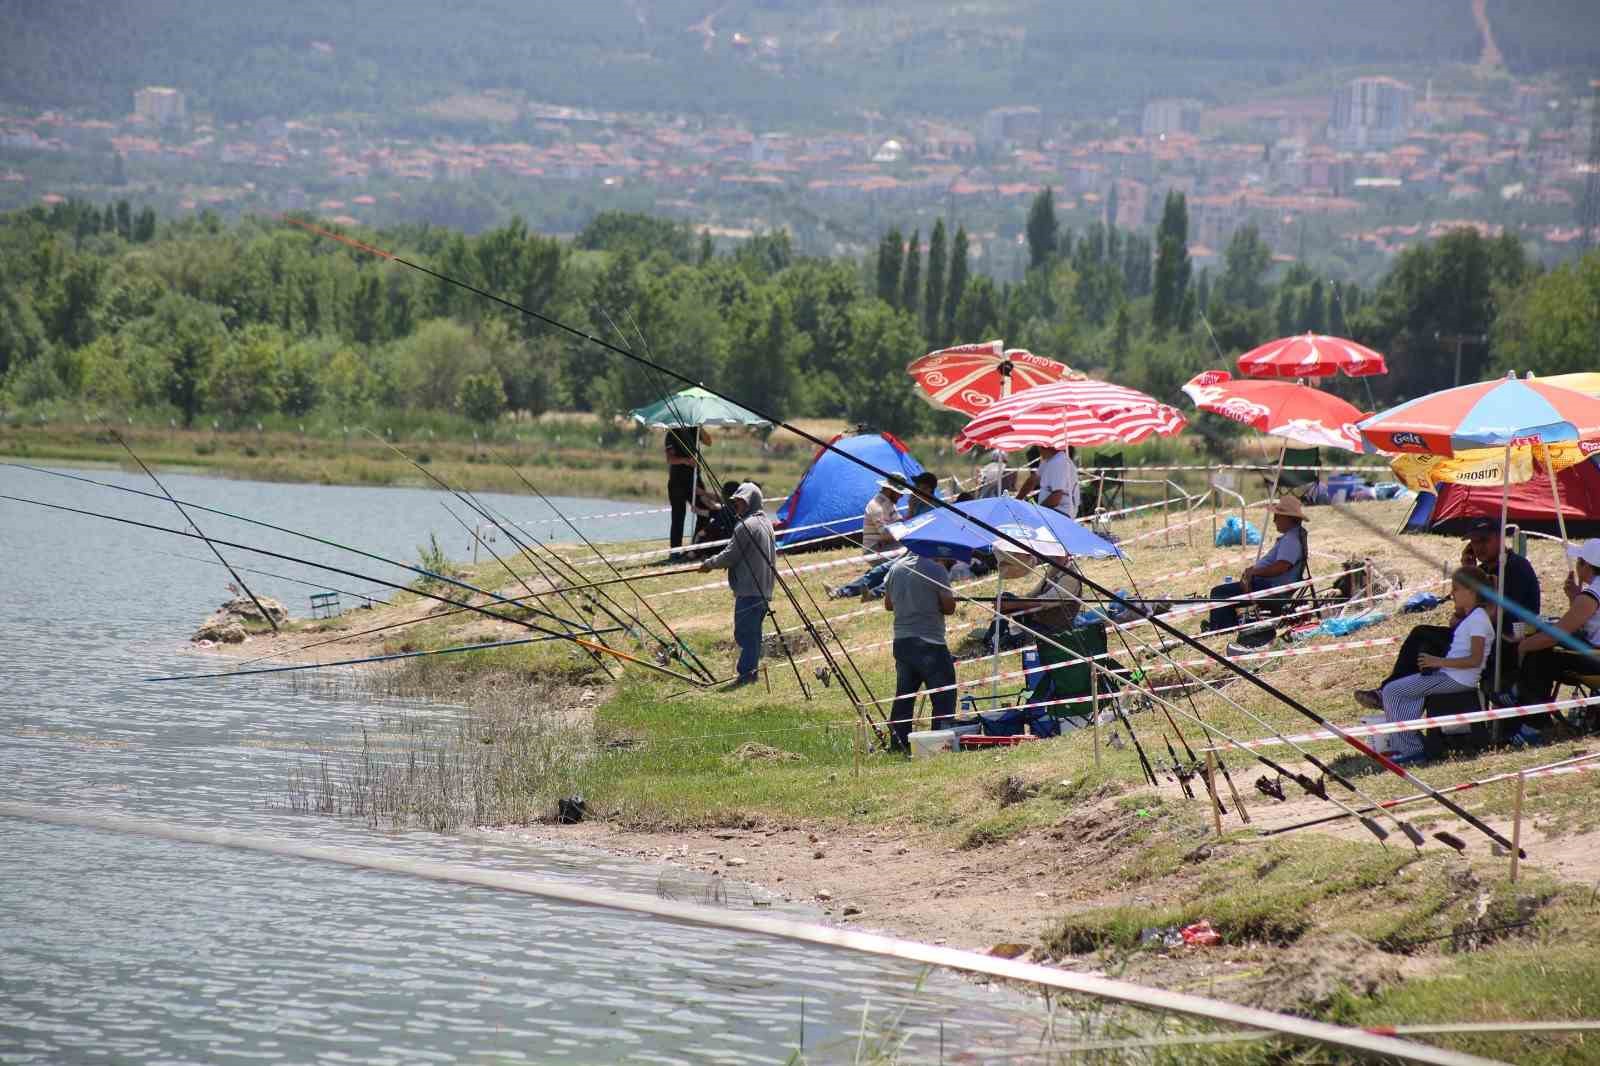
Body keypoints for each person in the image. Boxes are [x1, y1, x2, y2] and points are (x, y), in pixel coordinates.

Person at [1352, 517, 1540, 709]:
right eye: (1474, 542)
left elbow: (1494, 616)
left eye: (1484, 540)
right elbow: (1458, 619)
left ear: (1500, 539)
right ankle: (1399, 700)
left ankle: (1392, 695)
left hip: (1504, 642)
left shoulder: (1516, 568)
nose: (1478, 547)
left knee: (1424, 638)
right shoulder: (1481, 571)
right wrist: (1468, 571)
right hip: (1475, 637)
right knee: (1423, 640)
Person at [1375, 567, 1494, 765]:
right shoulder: (1474, 618)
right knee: (1396, 690)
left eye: (1456, 589)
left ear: (1471, 591)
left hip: (1458, 679)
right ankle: (1411, 742)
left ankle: (1412, 749)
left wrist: (1437, 662)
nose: (1452, 594)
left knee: (1392, 691)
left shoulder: (1478, 620)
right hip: (1451, 675)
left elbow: (1475, 659)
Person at [699, 482, 775, 686]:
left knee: (745, 633)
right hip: (764, 589)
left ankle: (746, 675)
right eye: (736, 502)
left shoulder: (746, 526)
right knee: (753, 633)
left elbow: (730, 555)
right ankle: (751, 673)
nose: (737, 506)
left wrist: (708, 564)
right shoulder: (766, 522)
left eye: (741, 502)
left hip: (750, 589)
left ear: (752, 502)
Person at [883, 547, 958, 752]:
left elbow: (888, 604)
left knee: (904, 696)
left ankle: (899, 745)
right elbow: (949, 607)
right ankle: (939, 744)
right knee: (944, 695)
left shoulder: (895, 568)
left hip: (902, 641)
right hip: (930, 642)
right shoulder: (936, 569)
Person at [1513, 538, 1600, 705]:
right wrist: (1575, 597)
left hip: (1595, 660)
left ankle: (1533, 718)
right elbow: (1585, 625)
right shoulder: (1591, 593)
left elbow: (1555, 635)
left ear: (1586, 565)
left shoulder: (1592, 594)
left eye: (1578, 561)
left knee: (1540, 649)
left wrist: (1523, 646)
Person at [1205, 497, 1309, 633]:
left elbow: (1281, 567)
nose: (1274, 520)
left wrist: (1253, 573)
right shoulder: (1293, 536)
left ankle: (1220, 629)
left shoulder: (1291, 539)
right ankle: (1224, 626)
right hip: (1269, 585)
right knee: (1225, 591)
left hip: (1272, 590)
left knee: (1220, 592)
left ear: (1287, 517)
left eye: (1277, 516)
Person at [829, 472, 938, 600]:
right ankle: (843, 592)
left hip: (916, 549)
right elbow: (893, 532)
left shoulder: (935, 508)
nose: (904, 494)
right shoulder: (878, 506)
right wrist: (910, 512)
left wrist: (904, 523)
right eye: (900, 491)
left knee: (894, 569)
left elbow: (904, 528)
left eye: (917, 487)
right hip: (882, 548)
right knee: (887, 568)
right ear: (890, 489)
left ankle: (868, 593)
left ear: (927, 489)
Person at [1016, 444, 1079, 518]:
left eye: (1038, 447)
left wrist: (1037, 511)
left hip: (1060, 513)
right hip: (1052, 512)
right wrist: (1015, 501)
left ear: (1043, 447)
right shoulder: (1048, 460)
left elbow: (1056, 497)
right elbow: (1032, 481)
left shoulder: (1059, 462)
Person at [664, 427, 701, 551]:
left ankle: (698, 546)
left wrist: (701, 427)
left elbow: (709, 442)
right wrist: (686, 461)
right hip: (677, 482)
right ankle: (675, 551)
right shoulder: (672, 434)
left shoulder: (696, 430)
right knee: (678, 516)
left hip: (695, 480)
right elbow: (670, 459)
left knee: (704, 511)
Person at [862, 475, 909, 554]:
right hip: (875, 548)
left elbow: (900, 523)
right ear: (889, 489)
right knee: (909, 552)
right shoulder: (876, 506)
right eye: (899, 492)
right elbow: (886, 535)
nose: (902, 495)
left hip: (887, 544)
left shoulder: (889, 504)